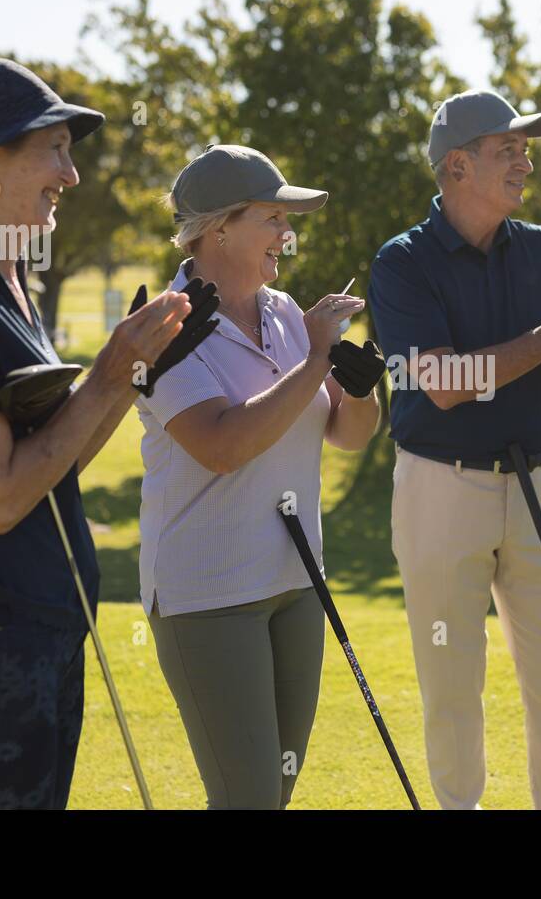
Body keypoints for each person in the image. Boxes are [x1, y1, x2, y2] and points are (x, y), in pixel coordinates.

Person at [0, 57, 210, 809]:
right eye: (54, 150)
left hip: (44, 620)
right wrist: (110, 371)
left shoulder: (5, 285)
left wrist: (136, 370)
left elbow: (54, 461)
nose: (72, 174)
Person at [368, 89, 541, 809]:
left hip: (538, 485)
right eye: (508, 149)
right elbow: (442, 385)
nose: (525, 161)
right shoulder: (402, 262)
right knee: (452, 685)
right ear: (457, 166)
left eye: (525, 149)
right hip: (440, 490)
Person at [138, 145, 383, 809]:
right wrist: (316, 361)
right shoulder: (163, 327)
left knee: (274, 792)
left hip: (296, 581)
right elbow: (222, 446)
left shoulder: (286, 313)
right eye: (272, 218)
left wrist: (361, 391)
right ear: (219, 228)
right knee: (246, 798)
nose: (287, 233)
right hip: (209, 591)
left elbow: (347, 434)